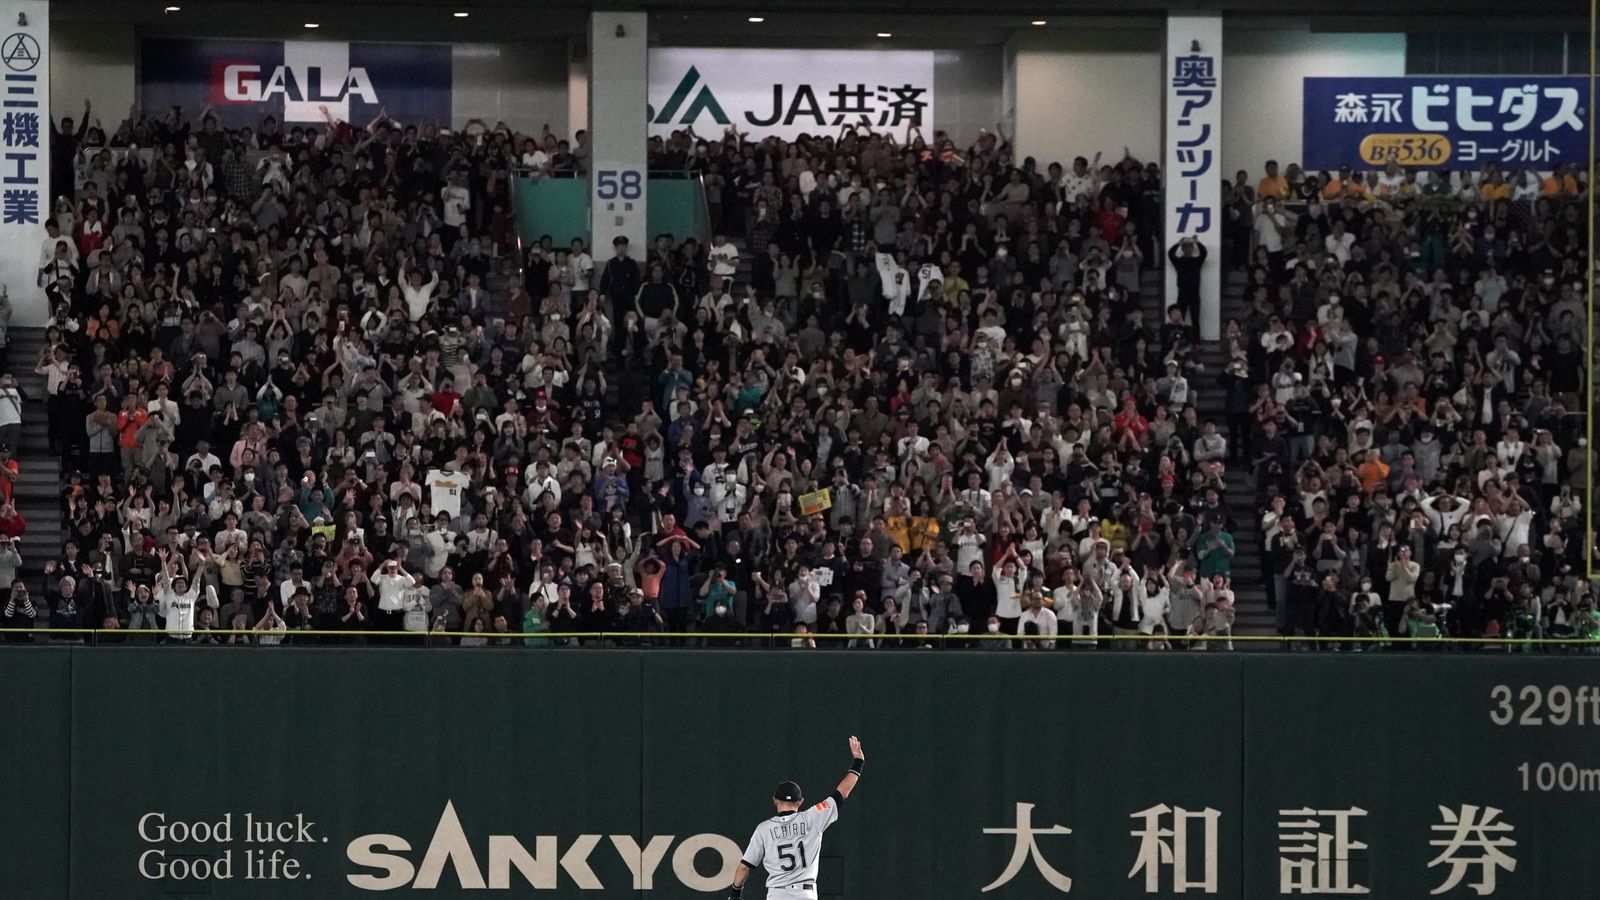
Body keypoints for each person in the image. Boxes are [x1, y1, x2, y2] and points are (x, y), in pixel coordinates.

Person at [727, 736, 865, 900]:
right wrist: (858, 762)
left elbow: (744, 868)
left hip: (777, 894)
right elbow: (842, 792)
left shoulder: (764, 829)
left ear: (775, 800)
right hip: (805, 894)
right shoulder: (813, 817)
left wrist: (735, 894)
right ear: (800, 802)